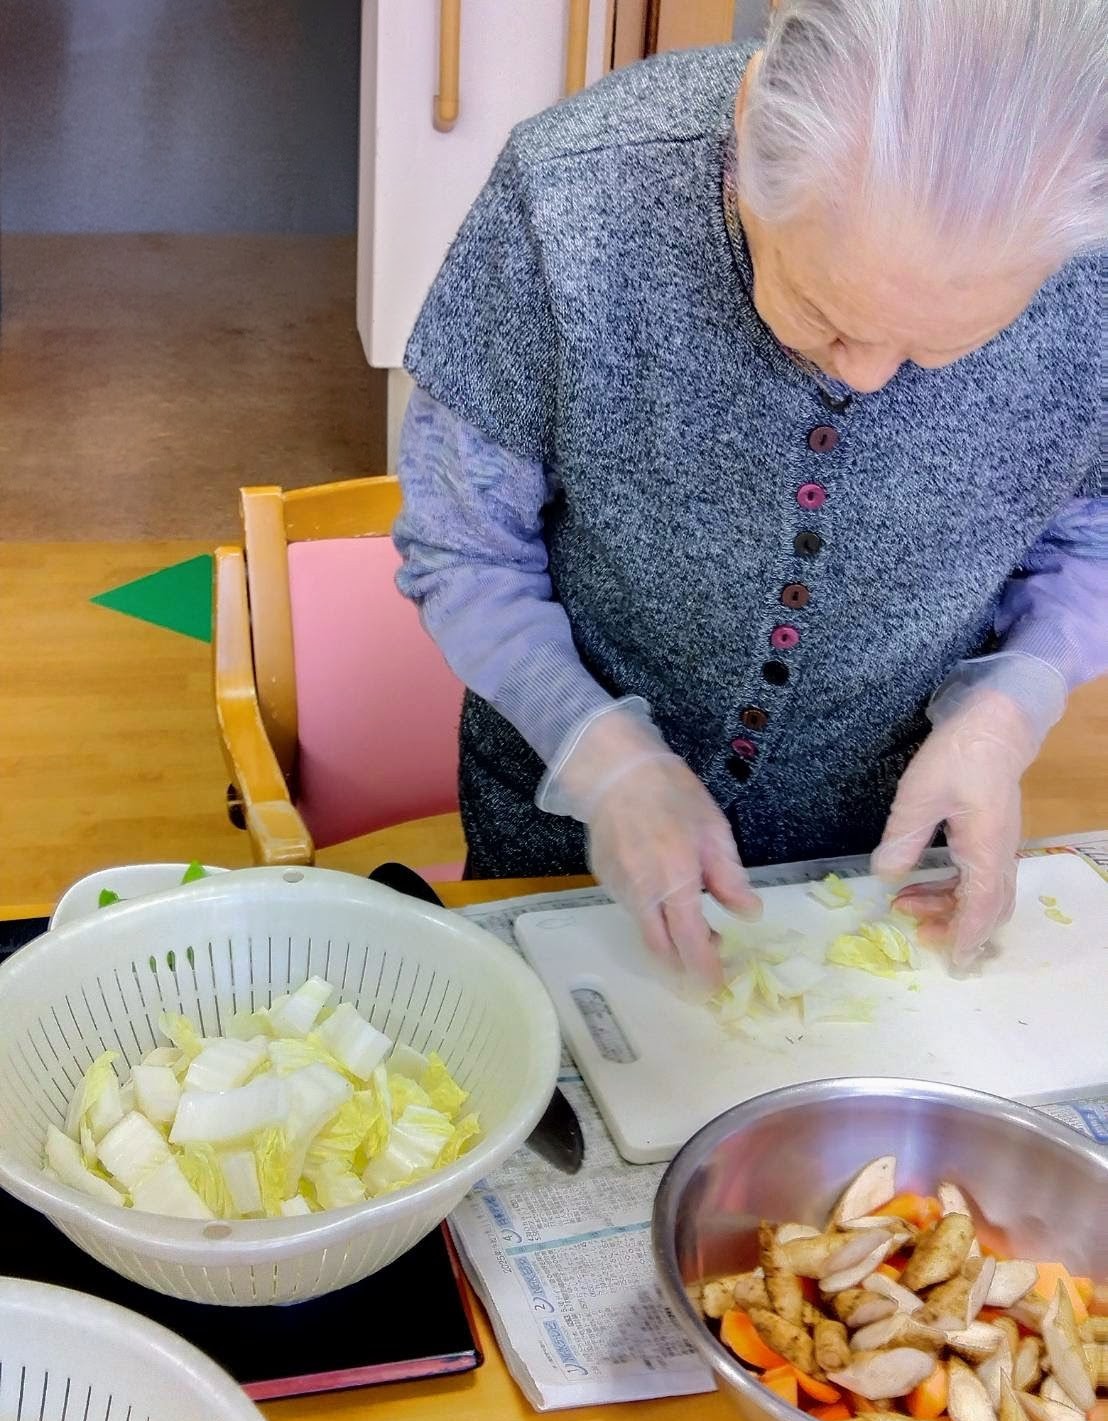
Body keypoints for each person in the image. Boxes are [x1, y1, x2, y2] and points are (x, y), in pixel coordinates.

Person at [394, 0, 1106, 988]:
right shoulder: (573, 200)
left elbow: (1095, 530)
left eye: (948, 346)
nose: (864, 378)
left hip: (877, 872)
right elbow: (461, 546)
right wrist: (607, 763)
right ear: (744, 142)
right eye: (820, 313)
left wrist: (1010, 704)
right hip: (564, 856)